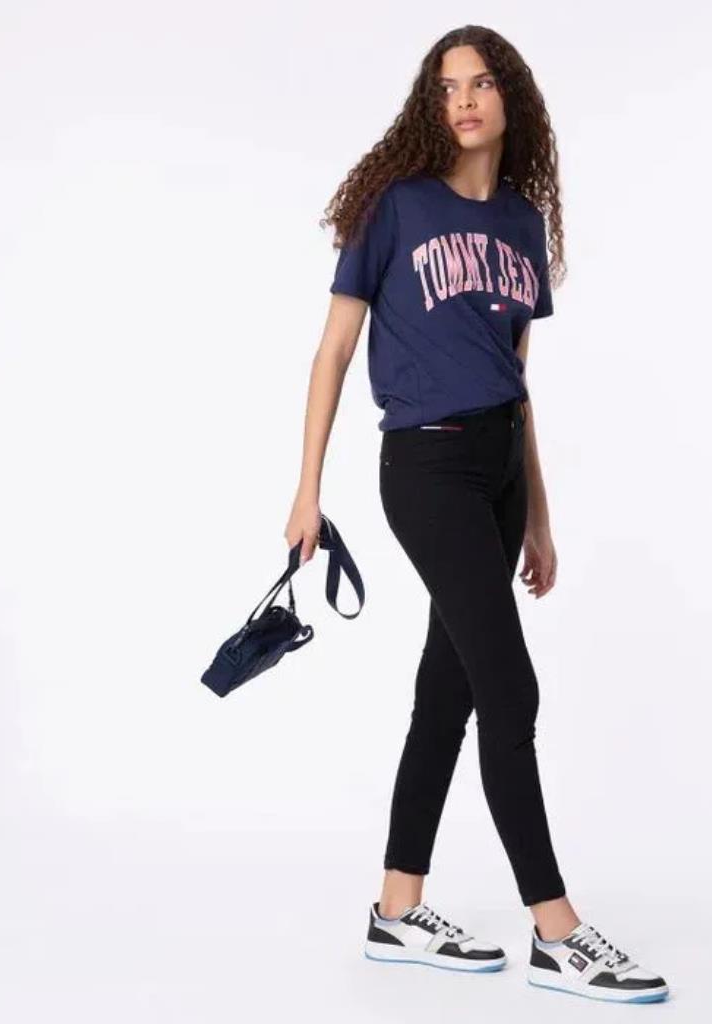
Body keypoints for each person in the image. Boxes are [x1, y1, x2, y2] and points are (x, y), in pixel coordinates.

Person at [284, 25, 669, 1005]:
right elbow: (333, 352)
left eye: (482, 82)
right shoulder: (393, 206)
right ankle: (556, 931)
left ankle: (396, 909)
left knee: (447, 692)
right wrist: (306, 490)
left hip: (498, 472)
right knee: (511, 690)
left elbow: (516, 380)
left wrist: (538, 514)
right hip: (427, 466)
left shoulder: (522, 226)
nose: (463, 99)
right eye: (447, 86)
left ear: (510, 101)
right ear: (431, 104)